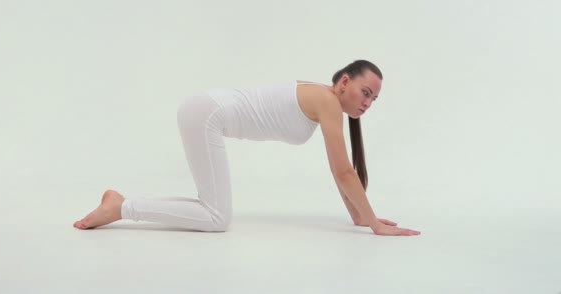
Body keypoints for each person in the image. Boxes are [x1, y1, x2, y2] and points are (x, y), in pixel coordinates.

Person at [73, 59, 421, 236]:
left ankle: (122, 205)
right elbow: (343, 171)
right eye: (365, 92)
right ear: (344, 82)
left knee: (213, 213)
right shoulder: (327, 101)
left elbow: (340, 170)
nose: (368, 103)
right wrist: (374, 223)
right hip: (206, 113)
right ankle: (122, 207)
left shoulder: (326, 103)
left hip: (205, 110)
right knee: (217, 218)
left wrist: (359, 216)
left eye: (374, 99)